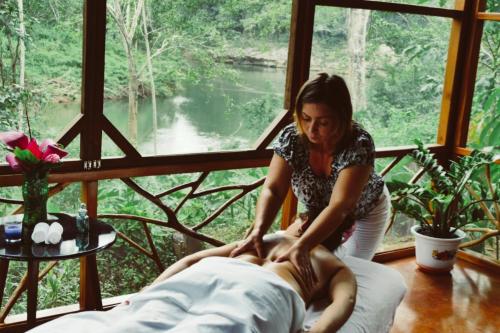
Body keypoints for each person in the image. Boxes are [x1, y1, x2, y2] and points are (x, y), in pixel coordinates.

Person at [29, 221, 356, 333]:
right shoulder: (267, 237)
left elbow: (345, 300)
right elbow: (193, 260)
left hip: (260, 293)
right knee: (135, 320)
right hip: (209, 279)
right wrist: (148, 291)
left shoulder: (328, 262)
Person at [230, 73, 390, 288]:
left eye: (323, 122)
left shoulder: (358, 143)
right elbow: (274, 189)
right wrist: (258, 229)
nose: (312, 129)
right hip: (317, 210)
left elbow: (340, 207)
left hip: (365, 210)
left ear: (342, 118)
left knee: (349, 269)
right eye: (306, 118)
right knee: (293, 258)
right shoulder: (292, 138)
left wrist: (303, 246)